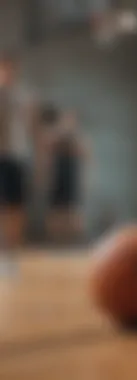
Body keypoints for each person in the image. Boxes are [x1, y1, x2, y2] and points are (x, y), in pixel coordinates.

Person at [0, 52, 38, 274]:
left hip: (17, 156)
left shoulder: (23, 96)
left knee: (16, 207)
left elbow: (31, 129)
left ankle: (11, 253)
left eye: (10, 68)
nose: (7, 73)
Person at [42, 109, 90, 244]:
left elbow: (86, 156)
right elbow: (47, 150)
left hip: (71, 178)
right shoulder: (55, 137)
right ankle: (55, 240)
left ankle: (71, 241)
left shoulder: (79, 139)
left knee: (72, 211)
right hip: (58, 178)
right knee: (56, 211)